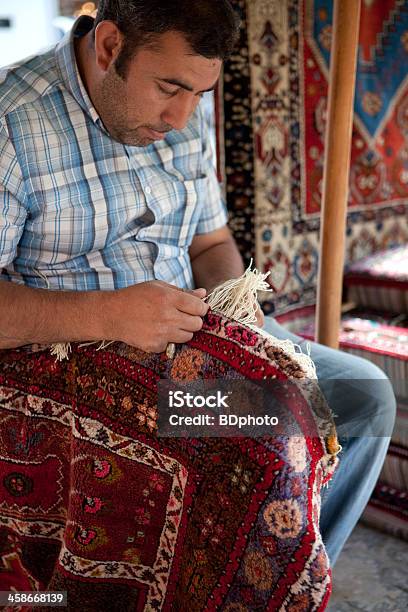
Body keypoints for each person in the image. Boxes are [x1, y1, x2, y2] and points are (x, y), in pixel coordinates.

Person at [0, 0, 395, 569]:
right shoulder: (13, 121)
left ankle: (280, 588)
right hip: (93, 370)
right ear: (110, 46)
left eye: (199, 95)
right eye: (168, 88)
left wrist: (239, 311)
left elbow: (210, 246)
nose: (182, 117)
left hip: (196, 333)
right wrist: (111, 316)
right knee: (278, 419)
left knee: (363, 399)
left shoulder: (184, 111)